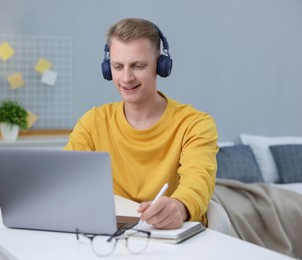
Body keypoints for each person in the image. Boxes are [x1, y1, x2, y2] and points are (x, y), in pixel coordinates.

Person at [64, 18, 218, 229]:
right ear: (107, 69)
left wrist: (179, 207)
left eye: (138, 66)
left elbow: (198, 181)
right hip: (111, 234)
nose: (126, 78)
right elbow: (66, 178)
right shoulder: (93, 122)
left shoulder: (195, 124)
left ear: (161, 66)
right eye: (118, 66)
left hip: (170, 236)